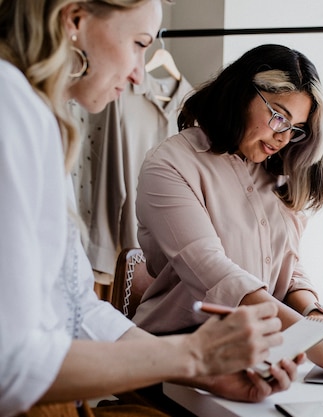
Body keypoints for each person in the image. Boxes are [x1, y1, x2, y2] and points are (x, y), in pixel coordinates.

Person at [0, 2, 301, 417]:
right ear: (73, 20)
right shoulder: (10, 105)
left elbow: (76, 311)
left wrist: (204, 371)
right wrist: (192, 356)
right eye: (139, 43)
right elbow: (9, 364)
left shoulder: (37, 116)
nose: (140, 73)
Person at [133, 43, 323, 383]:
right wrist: (307, 335)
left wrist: (315, 316)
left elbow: (287, 264)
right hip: (176, 355)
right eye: (279, 116)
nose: (283, 137)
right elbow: (214, 273)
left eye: (295, 128)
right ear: (242, 93)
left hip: (261, 348)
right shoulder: (169, 165)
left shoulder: (274, 171)